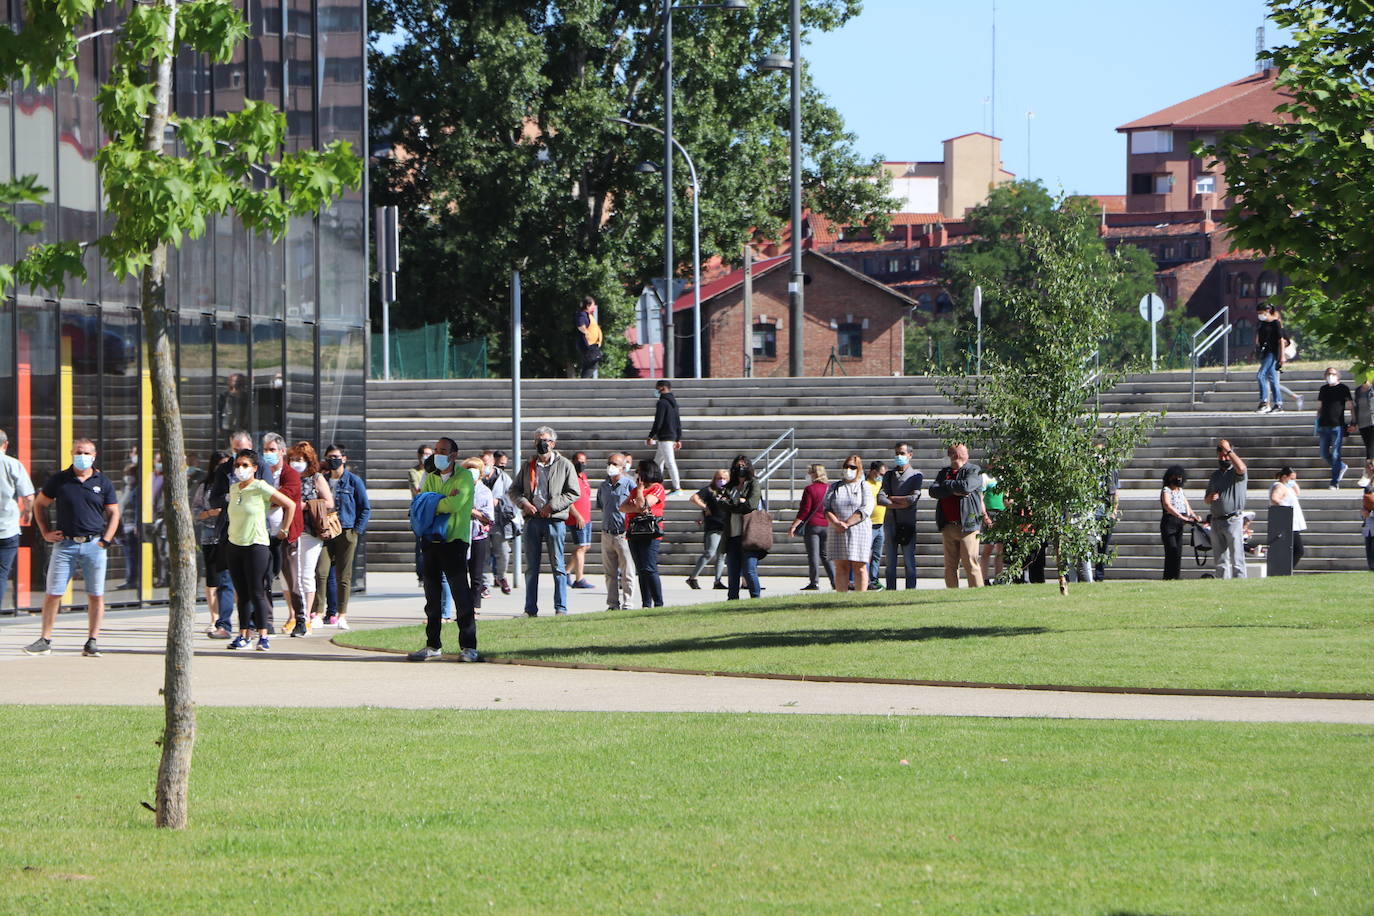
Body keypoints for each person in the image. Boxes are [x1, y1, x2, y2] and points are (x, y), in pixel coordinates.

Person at [24, 439, 120, 656]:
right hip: (65, 544)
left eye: (87, 453)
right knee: (53, 593)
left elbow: (114, 512)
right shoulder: (60, 480)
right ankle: (45, 639)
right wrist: (46, 532)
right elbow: (40, 504)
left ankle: (92, 641)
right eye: (79, 452)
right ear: (71, 453)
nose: (83, 456)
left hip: (94, 544)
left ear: (94, 456)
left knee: (96, 594)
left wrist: (106, 540)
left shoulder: (102, 482)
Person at [407, 437, 477, 661]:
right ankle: (432, 645)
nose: (437, 454)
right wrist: (440, 501)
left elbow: (455, 505)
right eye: (436, 450)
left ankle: (469, 647)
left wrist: (433, 503)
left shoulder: (464, 476)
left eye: (443, 450)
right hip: (430, 541)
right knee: (432, 597)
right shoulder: (432, 476)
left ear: (454, 455)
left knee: (460, 595)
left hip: (454, 541)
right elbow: (420, 502)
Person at [223, 451, 296, 651]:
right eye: (238, 465)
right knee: (242, 593)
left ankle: (263, 635)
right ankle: (243, 634)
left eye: (245, 465)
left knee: (257, 591)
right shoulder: (234, 488)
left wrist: (283, 531)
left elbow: (290, 504)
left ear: (255, 468)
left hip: (256, 545)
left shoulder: (260, 487)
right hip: (235, 544)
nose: (240, 469)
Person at [508, 426, 581, 616]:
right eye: (538, 440)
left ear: (553, 443)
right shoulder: (528, 465)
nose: (542, 443)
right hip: (532, 520)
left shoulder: (565, 464)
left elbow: (574, 492)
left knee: (558, 566)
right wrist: (524, 504)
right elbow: (514, 490)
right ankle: (530, 609)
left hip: (554, 520)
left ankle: (560, 608)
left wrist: (553, 505)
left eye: (546, 440)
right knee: (531, 568)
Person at [313, 444, 369, 630]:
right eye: (329, 457)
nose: (333, 460)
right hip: (325, 530)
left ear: (344, 458)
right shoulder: (322, 480)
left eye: (336, 456)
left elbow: (365, 507)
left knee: (343, 575)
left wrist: (356, 531)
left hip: (346, 529)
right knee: (321, 572)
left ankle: (341, 614)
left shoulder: (353, 481)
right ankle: (318, 613)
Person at [284, 442, 333, 633]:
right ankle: (292, 615)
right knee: (288, 575)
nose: (296, 463)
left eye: (300, 460)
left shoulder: (316, 478)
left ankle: (305, 617)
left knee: (305, 574)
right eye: (293, 459)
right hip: (289, 529)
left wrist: (305, 505)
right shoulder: (287, 478)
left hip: (310, 530)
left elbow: (329, 502)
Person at [193, 450, 237, 637]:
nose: (223, 467)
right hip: (210, 534)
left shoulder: (236, 484)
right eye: (219, 464)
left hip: (232, 534)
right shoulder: (206, 485)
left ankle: (225, 620)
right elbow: (195, 511)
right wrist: (210, 513)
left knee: (228, 579)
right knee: (213, 578)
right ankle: (214, 618)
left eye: (227, 463)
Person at [929, 443, 985, 589]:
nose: (949, 455)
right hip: (948, 525)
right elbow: (933, 491)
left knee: (970, 562)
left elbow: (966, 486)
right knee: (950, 565)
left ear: (956, 455)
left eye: (951, 452)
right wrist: (953, 488)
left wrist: (946, 486)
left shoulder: (974, 470)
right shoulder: (944, 472)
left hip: (968, 525)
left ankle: (977, 595)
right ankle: (952, 593)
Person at [826, 454, 875, 593]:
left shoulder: (863, 486)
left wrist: (847, 523)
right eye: (846, 466)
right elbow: (826, 507)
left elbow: (866, 508)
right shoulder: (834, 487)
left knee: (859, 566)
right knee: (841, 567)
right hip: (837, 530)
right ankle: (841, 596)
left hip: (859, 530)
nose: (849, 469)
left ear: (858, 469)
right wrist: (836, 522)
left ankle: (859, 597)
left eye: (852, 467)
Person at [879, 442, 923, 590]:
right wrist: (901, 502)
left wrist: (892, 498)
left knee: (909, 559)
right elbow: (880, 498)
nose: (899, 456)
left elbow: (912, 499)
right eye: (897, 453)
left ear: (910, 455)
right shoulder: (889, 475)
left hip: (907, 523)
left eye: (902, 453)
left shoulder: (916, 475)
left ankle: (910, 589)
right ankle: (890, 588)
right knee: (890, 560)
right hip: (891, 522)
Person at [623, 459, 666, 608]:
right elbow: (622, 507)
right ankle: (646, 603)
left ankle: (658, 603)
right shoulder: (635, 489)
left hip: (650, 533)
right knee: (641, 569)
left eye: (639, 470)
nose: (637, 473)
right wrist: (637, 506)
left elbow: (644, 505)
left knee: (649, 567)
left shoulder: (657, 488)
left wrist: (640, 494)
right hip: (634, 532)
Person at [0, 429, 34, 615]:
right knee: (1, 574)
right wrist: (27, 513)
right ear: (5, 445)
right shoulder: (12, 464)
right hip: (7, 529)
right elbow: (28, 496)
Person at [1204, 438, 1249, 579]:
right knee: (1220, 560)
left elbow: (1242, 468)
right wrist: (1210, 498)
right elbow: (1206, 500)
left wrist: (1228, 450)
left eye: (1226, 455)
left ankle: (1240, 583)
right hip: (1217, 520)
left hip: (1233, 519)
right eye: (1221, 455)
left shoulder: (1235, 473)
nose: (1224, 458)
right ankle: (1223, 584)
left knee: (1237, 557)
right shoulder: (1215, 475)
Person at [722, 454, 764, 600]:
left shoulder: (753, 483)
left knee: (749, 569)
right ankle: (732, 599)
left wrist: (733, 504)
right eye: (738, 465)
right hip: (732, 534)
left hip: (749, 533)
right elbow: (722, 504)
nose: (740, 468)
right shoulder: (729, 486)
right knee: (733, 570)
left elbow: (750, 505)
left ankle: (756, 598)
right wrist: (738, 501)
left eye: (744, 465)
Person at [597, 452, 636, 610]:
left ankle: (628, 602)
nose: (611, 467)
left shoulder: (629, 484)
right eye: (609, 463)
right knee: (610, 573)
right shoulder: (604, 486)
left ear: (622, 467)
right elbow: (601, 506)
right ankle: (613, 603)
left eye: (615, 464)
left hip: (623, 533)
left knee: (627, 572)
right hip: (607, 533)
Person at [788, 464, 834, 591]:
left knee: (813, 555)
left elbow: (805, 510)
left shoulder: (810, 489)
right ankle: (835, 581)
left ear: (814, 474)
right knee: (825, 555)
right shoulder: (829, 488)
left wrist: (794, 525)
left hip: (813, 525)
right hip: (826, 524)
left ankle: (814, 582)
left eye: (809, 472)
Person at [687, 469, 728, 590]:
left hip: (725, 526)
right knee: (710, 552)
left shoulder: (729, 491)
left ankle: (718, 581)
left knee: (721, 555)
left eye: (724, 478)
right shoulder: (709, 490)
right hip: (713, 525)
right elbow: (694, 498)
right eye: (719, 478)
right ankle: (692, 577)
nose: (721, 481)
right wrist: (705, 508)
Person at [1158, 465, 1201, 580]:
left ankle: (1176, 577)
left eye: (1180, 476)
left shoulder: (1181, 491)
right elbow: (1167, 505)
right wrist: (1180, 516)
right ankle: (1168, 577)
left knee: (1178, 551)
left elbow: (1186, 505)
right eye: (1175, 476)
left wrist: (1193, 515)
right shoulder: (1166, 490)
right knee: (1171, 549)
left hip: (1180, 523)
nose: (1178, 479)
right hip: (1169, 522)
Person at [484, 450, 518, 595]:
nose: (484, 466)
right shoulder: (475, 478)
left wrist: (499, 501)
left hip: (499, 521)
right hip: (481, 522)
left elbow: (513, 495)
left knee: (503, 552)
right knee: (483, 555)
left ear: (493, 462)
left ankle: (501, 576)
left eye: (486, 463)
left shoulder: (504, 478)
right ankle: (485, 584)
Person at [462, 457, 494, 607]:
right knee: (460, 575)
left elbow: (488, 517)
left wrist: (471, 510)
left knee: (476, 575)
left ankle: (474, 608)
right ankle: (462, 607)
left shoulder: (485, 491)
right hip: (460, 533)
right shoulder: (459, 489)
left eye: (474, 470)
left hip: (478, 535)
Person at [1316, 367, 1353, 489]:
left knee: (1336, 453)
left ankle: (1335, 481)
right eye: (1328, 374)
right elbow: (1320, 407)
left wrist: (1353, 422)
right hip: (1324, 425)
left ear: (1338, 375)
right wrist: (1317, 422)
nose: (1330, 376)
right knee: (1324, 453)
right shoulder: (1323, 389)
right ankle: (1341, 466)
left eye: (1332, 374)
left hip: (1337, 425)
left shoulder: (1343, 388)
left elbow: (1350, 406)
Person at [647, 379, 683, 494]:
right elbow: (678, 421)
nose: (656, 390)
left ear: (662, 388)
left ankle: (677, 487)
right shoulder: (673, 402)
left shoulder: (662, 402)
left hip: (665, 437)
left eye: (657, 388)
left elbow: (659, 420)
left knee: (670, 462)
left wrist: (651, 435)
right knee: (658, 462)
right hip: (671, 436)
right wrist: (678, 438)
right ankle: (657, 485)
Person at [1269, 466, 1307, 568]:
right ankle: (1286, 569)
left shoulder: (1287, 487)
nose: (1293, 481)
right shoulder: (1279, 486)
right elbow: (1274, 498)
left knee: (1294, 550)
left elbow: (1297, 492)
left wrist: (1292, 482)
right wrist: (1285, 508)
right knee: (1298, 550)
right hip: (1288, 522)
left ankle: (1286, 569)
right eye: (1291, 479)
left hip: (1293, 523)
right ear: (1284, 477)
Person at [566, 451, 594, 589]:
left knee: (585, 546)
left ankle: (566, 571)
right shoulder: (570, 477)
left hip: (586, 517)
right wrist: (577, 515)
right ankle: (579, 578)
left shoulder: (583, 477)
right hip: (577, 518)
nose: (581, 464)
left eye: (583, 462)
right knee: (581, 547)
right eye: (578, 461)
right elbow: (567, 500)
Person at [1254, 303, 1286, 413]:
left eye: (1261, 313)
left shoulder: (1275, 323)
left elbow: (1281, 340)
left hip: (1272, 353)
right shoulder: (1261, 324)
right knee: (1273, 380)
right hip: (1264, 352)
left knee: (1260, 375)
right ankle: (1278, 404)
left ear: (1267, 311)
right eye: (1258, 313)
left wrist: (1282, 356)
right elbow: (1259, 338)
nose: (1260, 315)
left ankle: (1264, 402)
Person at [409, 444, 434, 588]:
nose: (426, 456)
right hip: (420, 512)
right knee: (420, 544)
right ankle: (421, 574)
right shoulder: (414, 472)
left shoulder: (434, 472)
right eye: (424, 454)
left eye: (429, 454)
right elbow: (417, 490)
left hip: (432, 509)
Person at [979, 459, 1006, 585]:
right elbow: (981, 498)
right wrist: (985, 516)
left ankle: (999, 577)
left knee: (1001, 548)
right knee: (988, 548)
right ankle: (984, 578)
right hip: (990, 513)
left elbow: (1006, 495)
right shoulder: (985, 477)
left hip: (1001, 514)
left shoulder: (1002, 478)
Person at [865, 461, 887, 590]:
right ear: (873, 472)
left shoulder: (881, 484)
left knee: (877, 555)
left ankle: (874, 579)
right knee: (866, 555)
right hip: (869, 524)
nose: (882, 476)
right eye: (880, 474)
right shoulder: (866, 485)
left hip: (880, 524)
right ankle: (865, 579)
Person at [575, 296, 603, 379]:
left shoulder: (588, 315)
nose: (594, 307)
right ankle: (584, 381)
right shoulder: (582, 315)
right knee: (593, 360)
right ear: (587, 306)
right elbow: (580, 325)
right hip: (587, 344)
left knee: (590, 364)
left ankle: (583, 381)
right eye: (592, 305)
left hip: (592, 344)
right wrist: (586, 332)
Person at [1354, 373, 1374, 485]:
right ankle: (1371, 478)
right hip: (1363, 423)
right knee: (1369, 447)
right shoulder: (1358, 390)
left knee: (1371, 449)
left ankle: (1367, 471)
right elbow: (1357, 406)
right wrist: (1354, 421)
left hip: (1373, 421)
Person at [1362, 461, 1374, 571]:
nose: (1366, 469)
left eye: (1369, 467)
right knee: (1369, 551)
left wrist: (1370, 513)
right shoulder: (1367, 484)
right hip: (1368, 524)